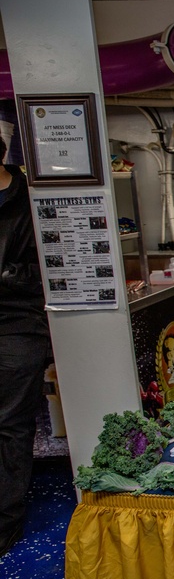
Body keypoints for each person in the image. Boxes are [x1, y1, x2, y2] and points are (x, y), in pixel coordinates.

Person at [0, 135, 50, 557]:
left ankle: (5, 523)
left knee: (10, 422)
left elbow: (55, 263)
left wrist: (9, 275)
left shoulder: (31, 199)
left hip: (15, 322)